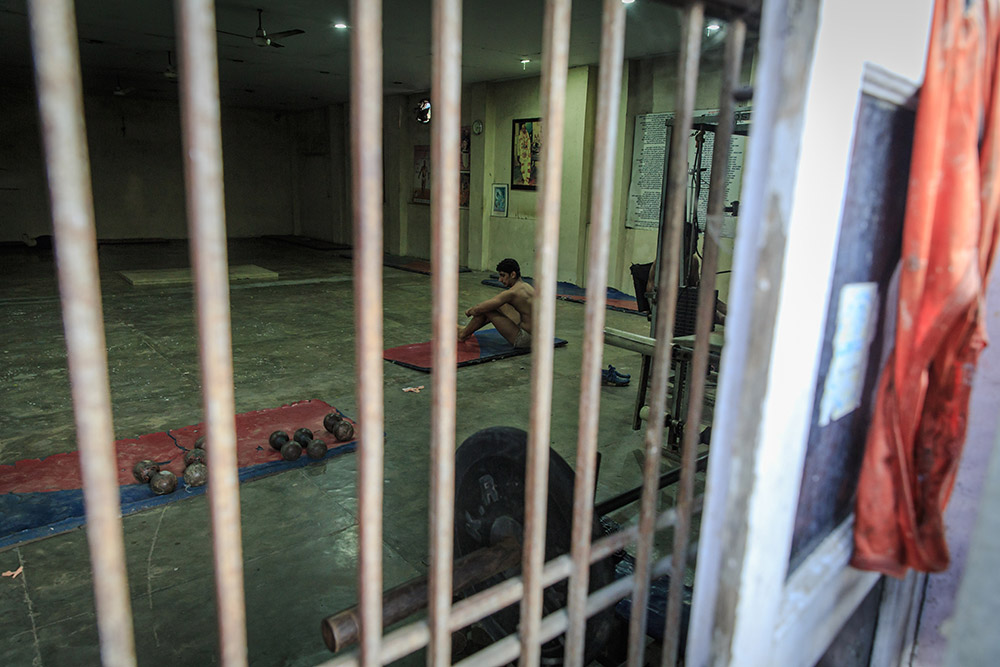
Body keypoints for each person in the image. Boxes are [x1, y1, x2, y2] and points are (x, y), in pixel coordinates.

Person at [458, 258, 534, 348]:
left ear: (513, 274)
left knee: (487, 309)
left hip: (526, 340)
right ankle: (467, 330)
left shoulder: (512, 293)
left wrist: (469, 311)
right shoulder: (527, 287)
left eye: (503, 275)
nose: (500, 280)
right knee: (499, 305)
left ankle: (462, 335)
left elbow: (479, 309)